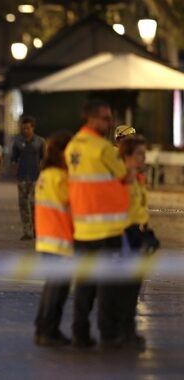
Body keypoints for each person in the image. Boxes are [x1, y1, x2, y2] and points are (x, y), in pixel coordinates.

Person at [65, 99, 129, 349]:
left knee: (84, 286)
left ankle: (80, 333)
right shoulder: (102, 148)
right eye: (105, 118)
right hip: (107, 228)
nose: (109, 122)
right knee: (108, 286)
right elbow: (125, 177)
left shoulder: (73, 146)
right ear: (90, 119)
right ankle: (109, 334)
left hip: (82, 228)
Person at [33, 130, 73, 347]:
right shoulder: (59, 177)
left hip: (47, 239)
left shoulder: (46, 175)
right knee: (58, 289)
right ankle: (48, 331)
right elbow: (72, 205)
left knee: (53, 286)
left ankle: (43, 328)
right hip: (60, 239)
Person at [119, 134, 156, 348]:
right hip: (125, 236)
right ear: (128, 155)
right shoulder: (121, 178)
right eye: (140, 154)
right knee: (125, 288)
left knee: (134, 289)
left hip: (137, 235)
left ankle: (127, 331)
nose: (144, 158)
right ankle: (120, 333)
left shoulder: (137, 177)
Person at [11, 116, 45, 241]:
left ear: (33, 128)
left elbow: (44, 159)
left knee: (34, 205)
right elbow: (13, 159)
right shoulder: (18, 142)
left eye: (28, 128)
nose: (25, 130)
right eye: (23, 128)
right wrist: (14, 170)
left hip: (36, 177)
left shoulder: (40, 141)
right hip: (22, 178)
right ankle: (27, 232)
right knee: (23, 205)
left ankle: (37, 229)